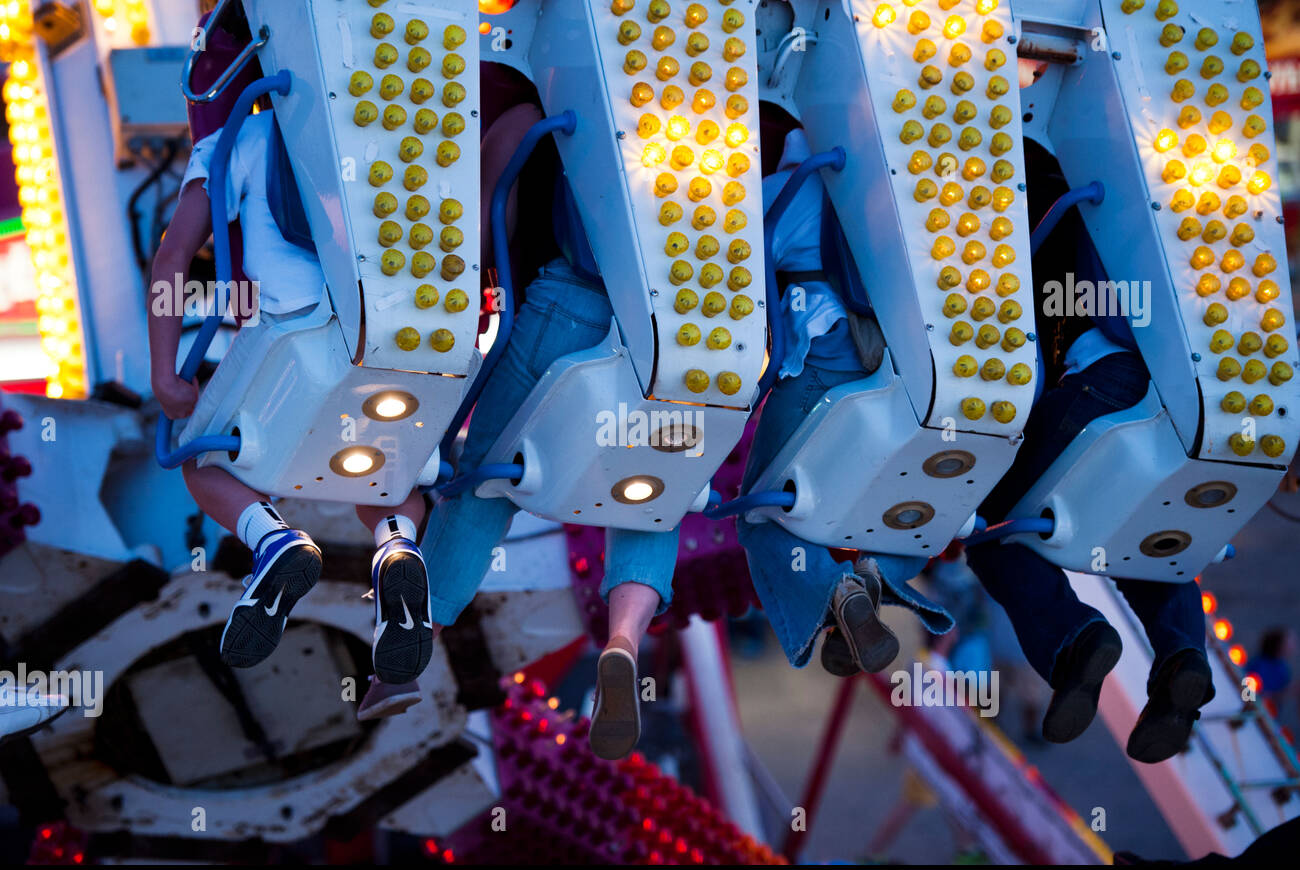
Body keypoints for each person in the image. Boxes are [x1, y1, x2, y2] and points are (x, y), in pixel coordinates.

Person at [148, 4, 434, 704]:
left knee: (199, 454)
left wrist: (164, 372)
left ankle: (272, 539)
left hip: (294, 343)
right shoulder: (395, 123)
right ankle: (395, 544)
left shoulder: (240, 136)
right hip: (393, 342)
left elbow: (172, 256)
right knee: (392, 481)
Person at [412, 64, 681, 760]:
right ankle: (622, 639)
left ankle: (420, 628)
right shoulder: (690, 101)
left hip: (568, 298)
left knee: (484, 476)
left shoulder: (516, 101)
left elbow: (485, 224)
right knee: (652, 496)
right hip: (677, 316)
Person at [963, 135, 1215, 764]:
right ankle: (1182, 654)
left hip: (1108, 379)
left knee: (995, 524)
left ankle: (1075, 639)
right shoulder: (1172, 196)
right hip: (1188, 397)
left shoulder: (1050, 189)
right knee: (1148, 535)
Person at [735, 107, 954, 678]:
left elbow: (737, 272)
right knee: (883, 498)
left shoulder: (788, 189)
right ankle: (863, 590)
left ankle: (840, 594)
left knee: (761, 509)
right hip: (904, 373)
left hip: (822, 361)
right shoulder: (908, 197)